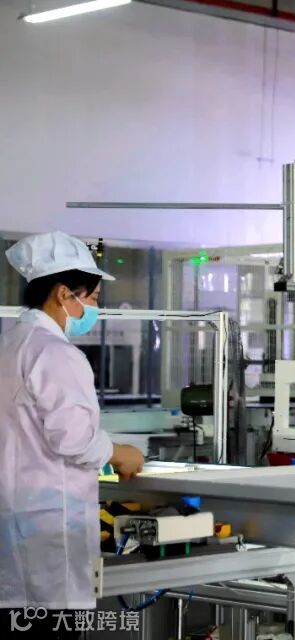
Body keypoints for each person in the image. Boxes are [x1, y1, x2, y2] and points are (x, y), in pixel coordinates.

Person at [0, 231, 145, 623]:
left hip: (14, 523)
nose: (94, 308)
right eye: (92, 298)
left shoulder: (9, 344)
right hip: (49, 532)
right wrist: (121, 454)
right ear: (64, 294)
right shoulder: (55, 353)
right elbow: (74, 440)